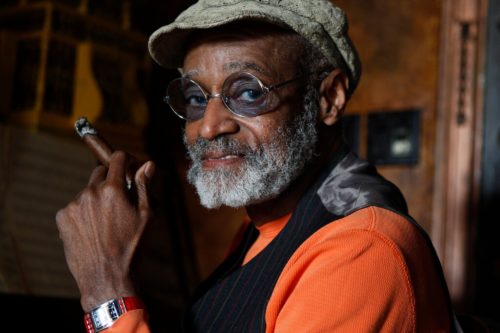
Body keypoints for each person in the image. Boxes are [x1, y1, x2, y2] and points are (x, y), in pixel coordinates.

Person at [56, 0, 462, 332]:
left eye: (249, 91)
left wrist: (107, 292)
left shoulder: (362, 252)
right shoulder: (262, 227)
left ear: (328, 98)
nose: (210, 126)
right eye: (197, 98)